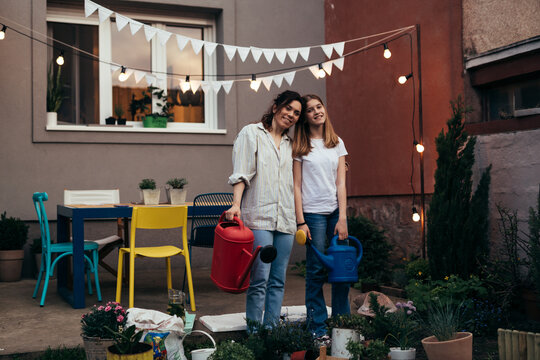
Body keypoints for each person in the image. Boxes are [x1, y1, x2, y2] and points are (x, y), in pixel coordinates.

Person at [225, 90, 304, 328]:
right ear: (275, 107)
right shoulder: (252, 133)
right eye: (288, 108)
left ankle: (272, 333)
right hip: (259, 217)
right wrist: (236, 204)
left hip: (286, 220)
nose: (291, 115)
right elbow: (242, 173)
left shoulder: (293, 145)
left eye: (296, 113)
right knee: (260, 278)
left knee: (278, 280)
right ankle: (254, 332)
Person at [292, 94, 349, 342]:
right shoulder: (300, 147)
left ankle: (342, 324)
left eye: (319, 107)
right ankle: (318, 328)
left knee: (341, 270)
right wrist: (300, 221)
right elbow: (295, 185)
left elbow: (341, 183)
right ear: (304, 117)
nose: (317, 112)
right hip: (312, 214)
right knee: (316, 271)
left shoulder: (337, 143)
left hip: (336, 213)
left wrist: (343, 217)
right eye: (310, 110)